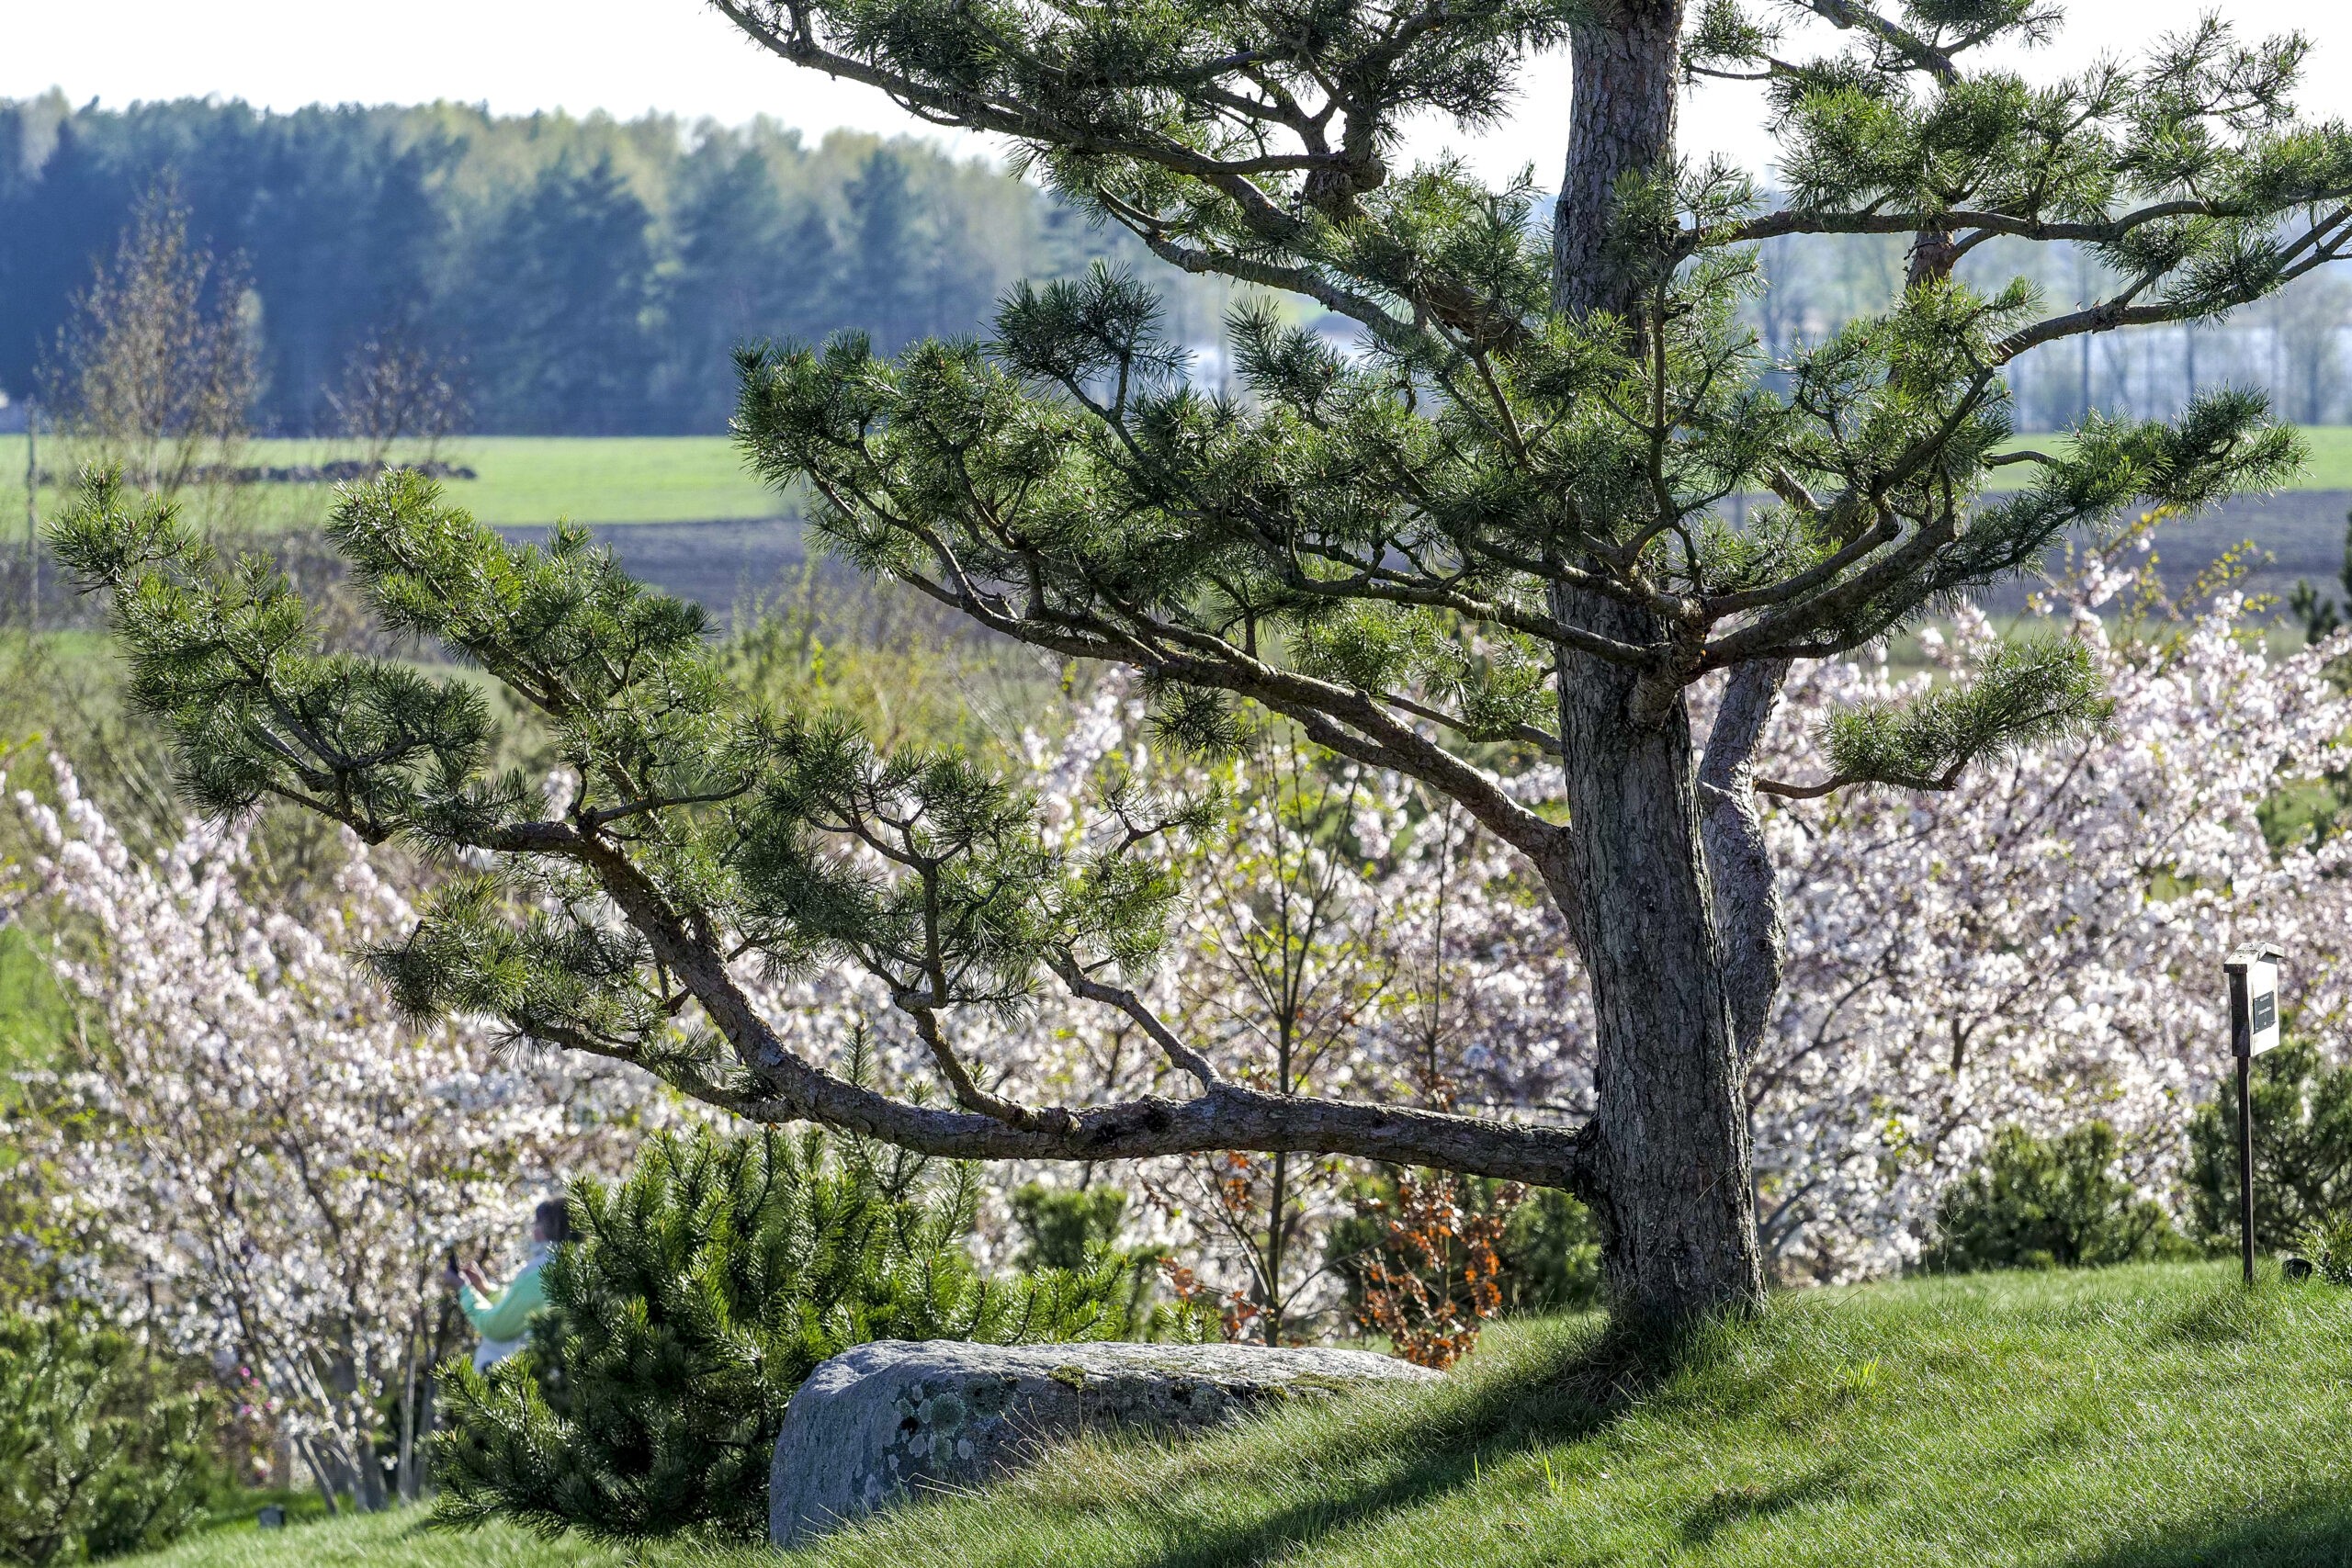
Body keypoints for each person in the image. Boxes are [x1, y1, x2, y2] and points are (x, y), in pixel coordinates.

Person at [450, 1198, 569, 1371]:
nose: (533, 1232)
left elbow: (496, 1327)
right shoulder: (577, 1267)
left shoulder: (540, 1272)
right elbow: (521, 1308)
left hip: (510, 1377)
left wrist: (464, 1288)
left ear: (546, 1229)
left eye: (537, 1224)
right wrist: (486, 1290)